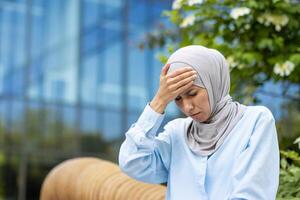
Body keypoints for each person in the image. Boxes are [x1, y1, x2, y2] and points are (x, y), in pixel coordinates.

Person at [118, 45, 279, 200]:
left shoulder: (255, 122)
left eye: (192, 93)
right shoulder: (176, 133)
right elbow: (132, 163)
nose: (187, 107)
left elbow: (252, 195)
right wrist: (159, 101)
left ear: (213, 82)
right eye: (177, 98)